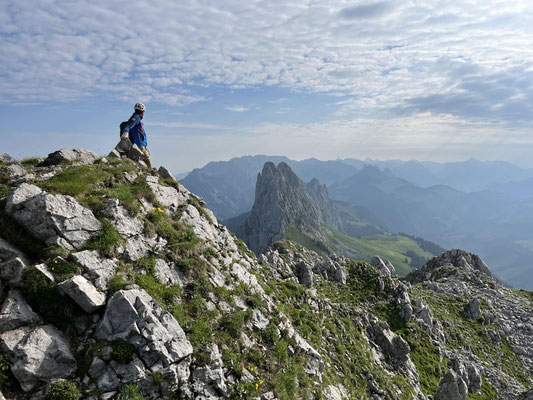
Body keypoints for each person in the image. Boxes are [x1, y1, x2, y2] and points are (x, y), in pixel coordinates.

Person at [120, 102, 153, 168]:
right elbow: (129, 125)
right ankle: (151, 172)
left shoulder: (136, 117)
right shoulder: (136, 117)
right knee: (147, 159)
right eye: (144, 111)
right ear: (142, 111)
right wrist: (126, 131)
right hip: (139, 143)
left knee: (142, 159)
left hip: (140, 143)